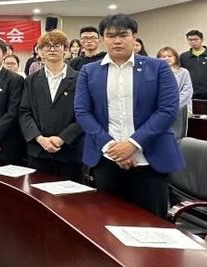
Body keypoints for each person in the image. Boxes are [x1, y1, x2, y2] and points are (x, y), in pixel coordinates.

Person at [75, 14, 183, 217]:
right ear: (103, 39)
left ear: (134, 37)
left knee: (151, 223)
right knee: (107, 221)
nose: (117, 40)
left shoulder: (158, 67)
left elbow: (168, 109)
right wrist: (112, 147)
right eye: (110, 35)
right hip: (106, 159)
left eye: (123, 35)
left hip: (149, 159)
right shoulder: (88, 71)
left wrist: (132, 144)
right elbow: (82, 111)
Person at [18, 30, 83, 182]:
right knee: (37, 193)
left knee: (69, 195)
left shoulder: (80, 79)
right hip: (38, 151)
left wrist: (62, 138)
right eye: (47, 46)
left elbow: (84, 114)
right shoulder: (30, 81)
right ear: (40, 51)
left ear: (66, 50)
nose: (52, 49)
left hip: (69, 152)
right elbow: (24, 112)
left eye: (57, 45)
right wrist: (39, 138)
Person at [156, 47, 194, 115]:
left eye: (170, 56)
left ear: (175, 58)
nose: (167, 58)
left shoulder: (184, 72)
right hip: (161, 109)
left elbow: (187, 92)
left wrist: (171, 105)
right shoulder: (155, 73)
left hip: (181, 108)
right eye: (163, 57)